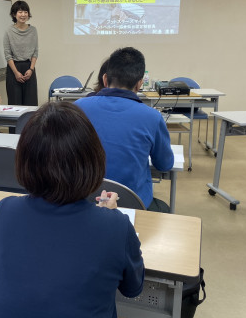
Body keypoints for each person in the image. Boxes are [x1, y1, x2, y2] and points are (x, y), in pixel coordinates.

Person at [0, 102, 144, 318]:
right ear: (92, 159)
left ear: (24, 159)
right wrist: (109, 218)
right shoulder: (116, 227)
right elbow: (133, 288)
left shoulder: (4, 211)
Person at [75, 47, 174, 210]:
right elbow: (164, 164)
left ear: (105, 79)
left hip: (82, 199)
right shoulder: (152, 117)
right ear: (140, 84)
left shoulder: (77, 108)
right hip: (133, 204)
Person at [4, 0, 38, 106]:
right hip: (13, 69)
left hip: (29, 68)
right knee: (15, 103)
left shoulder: (33, 30)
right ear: (14, 14)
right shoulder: (9, 31)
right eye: (20, 12)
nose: (23, 15)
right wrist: (16, 72)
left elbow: (35, 52)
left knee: (30, 103)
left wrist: (31, 69)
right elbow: (7, 54)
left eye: (25, 12)